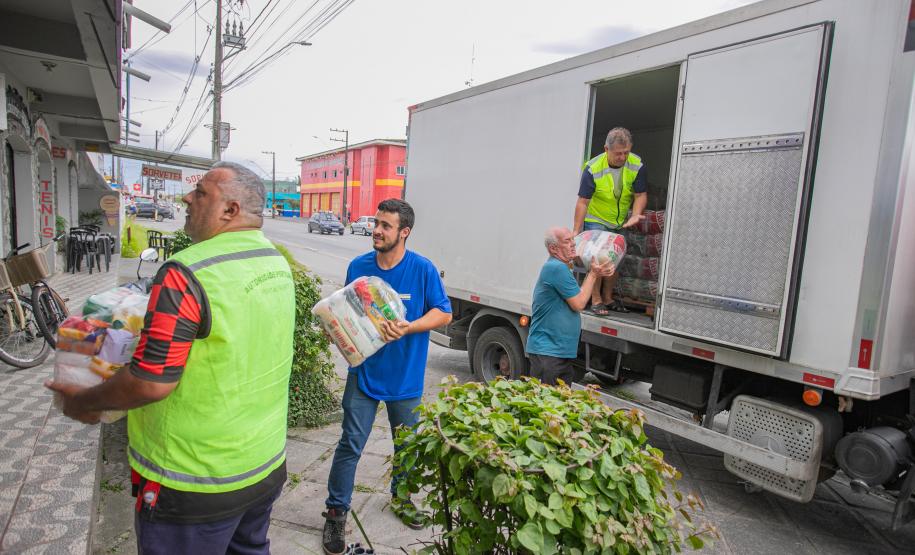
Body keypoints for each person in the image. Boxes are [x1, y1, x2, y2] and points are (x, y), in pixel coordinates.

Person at [47, 161, 296, 555]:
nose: (186, 198)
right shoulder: (274, 262)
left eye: (200, 193)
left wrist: (84, 401)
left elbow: (151, 381)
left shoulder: (188, 271)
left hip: (194, 482)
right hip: (264, 466)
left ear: (230, 210)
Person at [322, 198, 452, 555]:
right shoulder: (359, 266)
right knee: (350, 445)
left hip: (406, 380)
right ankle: (336, 513)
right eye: (377, 223)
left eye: (385, 225)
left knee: (407, 447)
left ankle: (403, 498)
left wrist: (409, 326)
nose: (376, 230)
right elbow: (346, 312)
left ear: (404, 232)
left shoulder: (422, 269)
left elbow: (443, 314)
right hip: (364, 375)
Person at [573, 127, 648, 315]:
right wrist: (576, 231)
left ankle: (608, 297)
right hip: (596, 218)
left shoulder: (636, 164)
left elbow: (640, 195)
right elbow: (583, 202)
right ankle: (596, 299)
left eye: (626, 152)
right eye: (618, 154)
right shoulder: (593, 168)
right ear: (606, 149)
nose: (622, 157)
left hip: (620, 221)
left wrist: (636, 214)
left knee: (615, 260)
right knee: (597, 259)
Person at [526, 227, 615, 385]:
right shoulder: (556, 268)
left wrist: (595, 270)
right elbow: (579, 303)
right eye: (567, 241)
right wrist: (593, 274)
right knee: (548, 406)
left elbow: (577, 296)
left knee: (559, 405)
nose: (573, 244)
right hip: (548, 353)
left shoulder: (562, 267)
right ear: (553, 248)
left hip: (558, 353)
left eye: (573, 239)